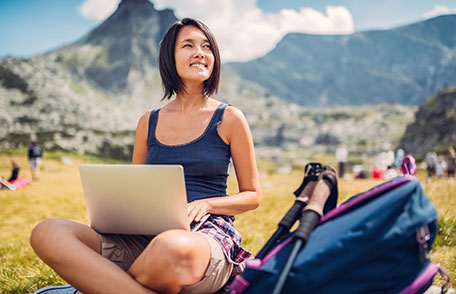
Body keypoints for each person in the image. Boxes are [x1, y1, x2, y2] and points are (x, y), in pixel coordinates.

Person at [30, 18, 262, 294]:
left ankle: (109, 284)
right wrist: (114, 216)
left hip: (200, 238)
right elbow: (135, 189)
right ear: (169, 58)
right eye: (188, 45)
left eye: (207, 47)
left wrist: (208, 204)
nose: (201, 52)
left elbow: (252, 195)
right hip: (142, 239)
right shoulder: (148, 122)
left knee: (172, 247)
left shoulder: (230, 118)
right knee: (47, 233)